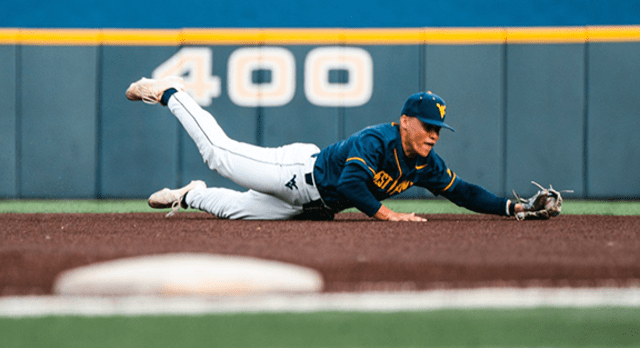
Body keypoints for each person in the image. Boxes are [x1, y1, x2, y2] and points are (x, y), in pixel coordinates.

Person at [125, 76, 529, 221]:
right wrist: (388, 215)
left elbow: (463, 192)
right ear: (405, 121)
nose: (435, 135)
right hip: (294, 173)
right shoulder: (377, 141)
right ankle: (167, 93)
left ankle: (189, 194)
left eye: (439, 129)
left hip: (310, 206)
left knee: (234, 210)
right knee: (220, 154)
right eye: (428, 126)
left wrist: (513, 208)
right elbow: (354, 184)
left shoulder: (426, 162)